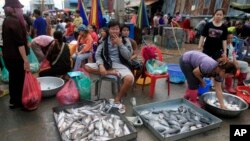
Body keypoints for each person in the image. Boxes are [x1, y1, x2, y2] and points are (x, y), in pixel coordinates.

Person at [85, 20, 134, 104]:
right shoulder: (104, 40)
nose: (115, 31)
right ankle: (109, 72)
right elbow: (97, 54)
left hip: (120, 65)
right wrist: (100, 65)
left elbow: (128, 56)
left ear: (119, 30)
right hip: (106, 64)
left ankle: (117, 98)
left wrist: (120, 44)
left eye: (117, 29)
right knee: (86, 66)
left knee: (129, 79)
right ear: (109, 29)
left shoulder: (125, 41)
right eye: (112, 29)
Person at [2, 0, 30, 109]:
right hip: (16, 57)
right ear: (13, 9)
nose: (21, 10)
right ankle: (20, 102)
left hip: (9, 56)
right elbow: (19, 44)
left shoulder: (7, 20)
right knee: (19, 80)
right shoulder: (14, 21)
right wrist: (25, 60)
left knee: (13, 79)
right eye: (20, 8)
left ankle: (13, 102)